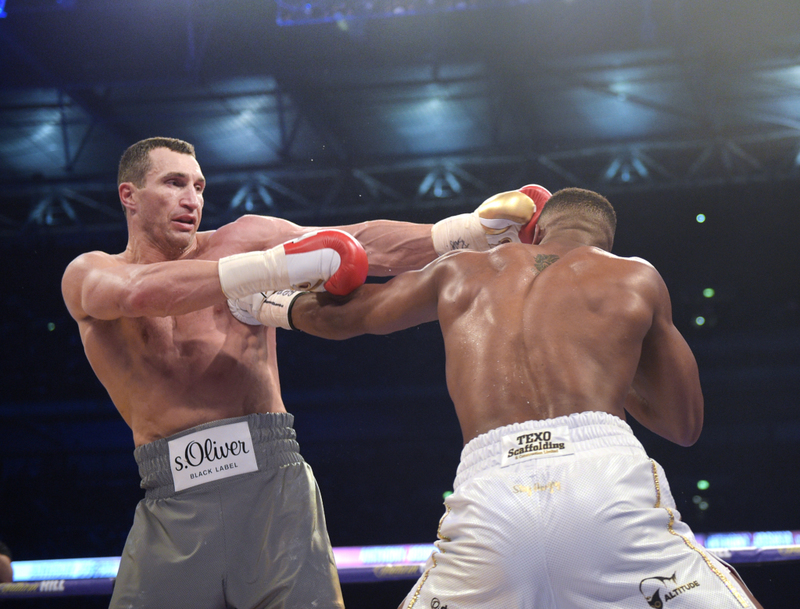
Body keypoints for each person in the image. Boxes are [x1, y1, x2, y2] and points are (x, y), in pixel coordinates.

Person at [60, 136, 548, 609]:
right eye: (173, 183)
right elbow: (137, 295)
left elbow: (359, 244)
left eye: (199, 187)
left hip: (271, 486)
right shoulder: (89, 272)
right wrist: (271, 267)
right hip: (170, 502)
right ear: (129, 195)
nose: (191, 199)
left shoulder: (243, 238)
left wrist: (464, 232)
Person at [236, 187, 763, 609]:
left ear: (533, 229)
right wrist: (606, 361)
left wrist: (263, 301)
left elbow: (347, 317)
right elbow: (683, 423)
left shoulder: (461, 268)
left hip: (491, 490)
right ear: (605, 237)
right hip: (605, 479)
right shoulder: (635, 275)